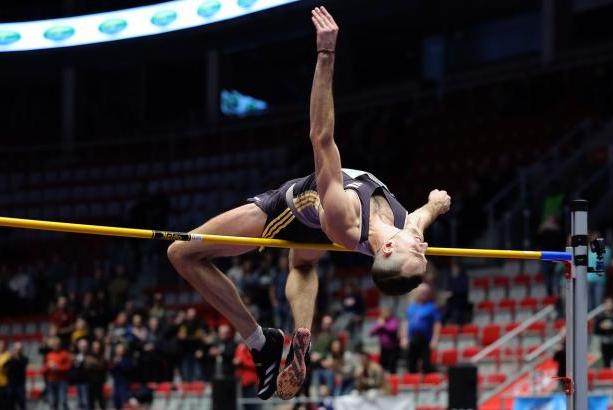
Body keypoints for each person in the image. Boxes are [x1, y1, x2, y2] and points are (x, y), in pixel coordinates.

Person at [166, 6, 451, 401]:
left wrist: (326, 55)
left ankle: (259, 341)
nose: (423, 246)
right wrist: (437, 203)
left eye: (416, 251)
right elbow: (422, 217)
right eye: (422, 251)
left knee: (181, 252)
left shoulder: (345, 217)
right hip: (315, 229)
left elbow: (320, 136)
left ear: (386, 249)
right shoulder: (407, 235)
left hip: (291, 209)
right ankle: (301, 333)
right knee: (301, 263)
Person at [402, 283, 441, 373]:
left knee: (426, 365)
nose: (424, 294)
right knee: (411, 365)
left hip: (425, 339)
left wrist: (435, 339)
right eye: (421, 292)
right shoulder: (411, 307)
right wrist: (404, 338)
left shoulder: (432, 307)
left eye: (426, 292)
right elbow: (405, 323)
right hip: (412, 339)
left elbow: (437, 324)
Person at [43, 336, 72, 410]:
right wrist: (48, 367)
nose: (55, 346)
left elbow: (68, 366)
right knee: (53, 402)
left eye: (57, 344)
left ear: (60, 344)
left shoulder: (64, 354)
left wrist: (58, 367)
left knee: (63, 401)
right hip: (51, 380)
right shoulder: (49, 355)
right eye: (54, 344)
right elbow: (44, 368)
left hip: (62, 381)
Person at [369, 307, 400, 373]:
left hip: (393, 348)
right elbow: (371, 332)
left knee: (392, 367)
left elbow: (393, 329)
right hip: (383, 348)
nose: (385, 314)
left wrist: (383, 325)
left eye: (386, 312)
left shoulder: (393, 320)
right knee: (382, 366)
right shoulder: (380, 321)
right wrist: (379, 325)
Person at [233, 342, 260, 410]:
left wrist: (242, 361)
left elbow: (256, 363)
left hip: (251, 382)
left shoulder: (253, 348)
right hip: (241, 381)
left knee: (251, 404)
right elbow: (236, 360)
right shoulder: (240, 347)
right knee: (244, 404)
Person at [84, 340, 107, 410]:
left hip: (99, 381)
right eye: (94, 347)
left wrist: (93, 362)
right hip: (90, 381)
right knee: (90, 400)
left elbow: (102, 365)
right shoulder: (88, 355)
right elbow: (87, 365)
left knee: (101, 400)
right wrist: (94, 363)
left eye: (97, 347)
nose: (96, 348)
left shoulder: (102, 355)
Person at [594, 297, 613, 368]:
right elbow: (596, 330)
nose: (609, 305)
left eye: (611, 303)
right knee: (605, 363)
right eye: (607, 303)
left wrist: (612, 327)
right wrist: (601, 326)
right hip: (603, 342)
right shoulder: (600, 317)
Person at [6, 342, 28, 410]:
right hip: (11, 384)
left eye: (19, 349)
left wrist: (16, 357)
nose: (18, 350)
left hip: (20, 384)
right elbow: (5, 367)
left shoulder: (24, 358)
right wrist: (9, 358)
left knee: (22, 404)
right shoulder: (10, 359)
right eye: (16, 349)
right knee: (10, 404)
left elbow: (23, 365)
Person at [72, 338, 90, 410]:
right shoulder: (77, 355)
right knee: (79, 401)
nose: (82, 348)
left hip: (86, 381)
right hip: (78, 380)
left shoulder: (89, 355)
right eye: (81, 346)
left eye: (84, 346)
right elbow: (75, 367)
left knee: (85, 401)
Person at [0, 340, 10, 409]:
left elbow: (8, 368)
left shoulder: (7, 355)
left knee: (4, 403)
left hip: (5, 382)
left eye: (2, 345)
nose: (1, 346)